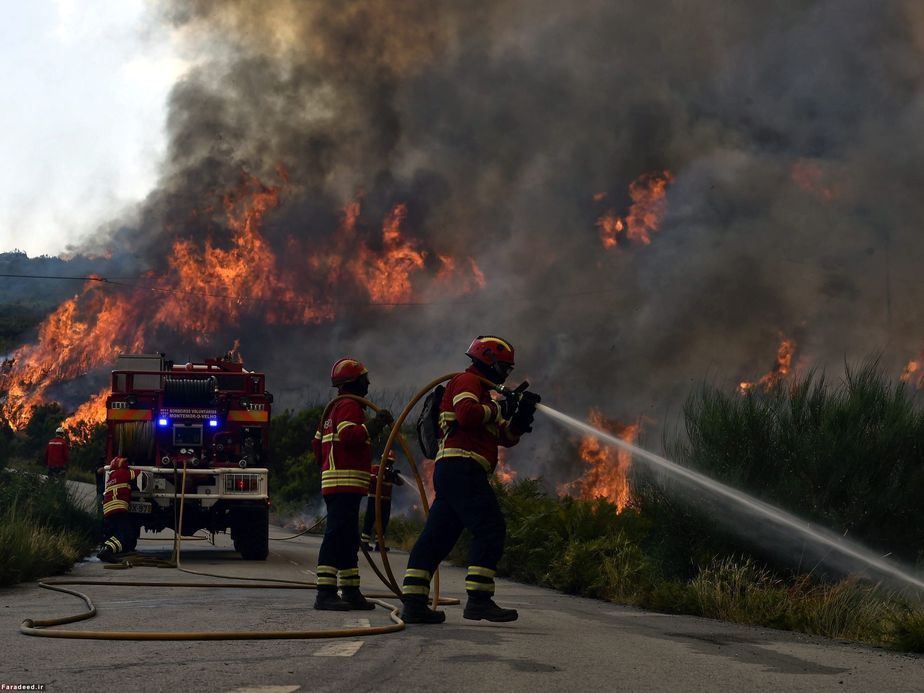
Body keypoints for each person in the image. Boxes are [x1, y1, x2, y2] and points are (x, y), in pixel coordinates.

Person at [400, 336, 538, 624]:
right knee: (490, 528)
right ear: (486, 358)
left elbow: (505, 437)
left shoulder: (485, 395)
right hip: (462, 466)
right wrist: (500, 408)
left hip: (455, 470)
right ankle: (479, 600)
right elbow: (466, 415)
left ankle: (413, 602)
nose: (505, 374)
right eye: (503, 367)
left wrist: (520, 418)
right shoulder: (468, 382)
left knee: (437, 537)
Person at [311, 357, 394, 611]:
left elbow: (317, 446)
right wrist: (377, 424)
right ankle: (325, 592)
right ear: (354, 381)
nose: (367, 383)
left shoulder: (333, 409)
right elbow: (350, 436)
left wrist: (328, 466)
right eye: (364, 378)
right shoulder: (349, 405)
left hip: (340, 482)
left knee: (348, 539)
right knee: (337, 536)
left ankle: (350, 590)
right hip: (344, 482)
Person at [97, 457, 140, 563]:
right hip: (118, 508)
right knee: (125, 535)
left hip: (108, 510)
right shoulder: (123, 473)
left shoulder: (111, 476)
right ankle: (107, 550)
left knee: (115, 533)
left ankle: (106, 549)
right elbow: (138, 473)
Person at [361, 449, 404, 552]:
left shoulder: (391, 473)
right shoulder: (375, 468)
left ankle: (379, 544)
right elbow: (370, 478)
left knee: (383, 523)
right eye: (387, 461)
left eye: (390, 461)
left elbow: (401, 483)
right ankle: (364, 543)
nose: (389, 463)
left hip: (386, 501)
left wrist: (395, 477)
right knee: (369, 520)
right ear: (382, 460)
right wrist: (383, 476)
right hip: (374, 499)